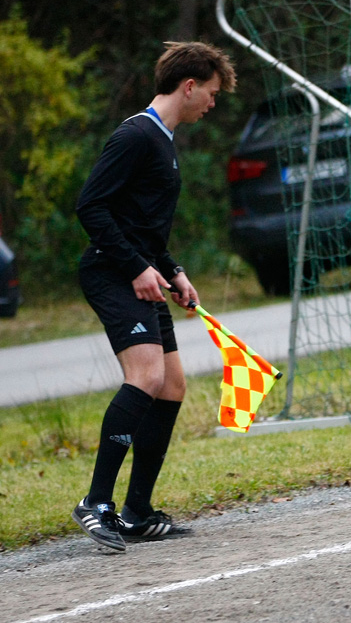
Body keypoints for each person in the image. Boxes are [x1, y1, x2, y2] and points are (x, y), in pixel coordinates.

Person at [73, 41, 236, 551]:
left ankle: (136, 510)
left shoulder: (164, 140)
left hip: (140, 272)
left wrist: (171, 270)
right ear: (188, 86)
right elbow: (91, 208)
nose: (212, 103)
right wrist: (137, 267)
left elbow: (141, 224)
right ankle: (95, 504)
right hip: (110, 273)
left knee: (171, 387)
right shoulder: (136, 136)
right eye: (210, 93)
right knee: (144, 377)